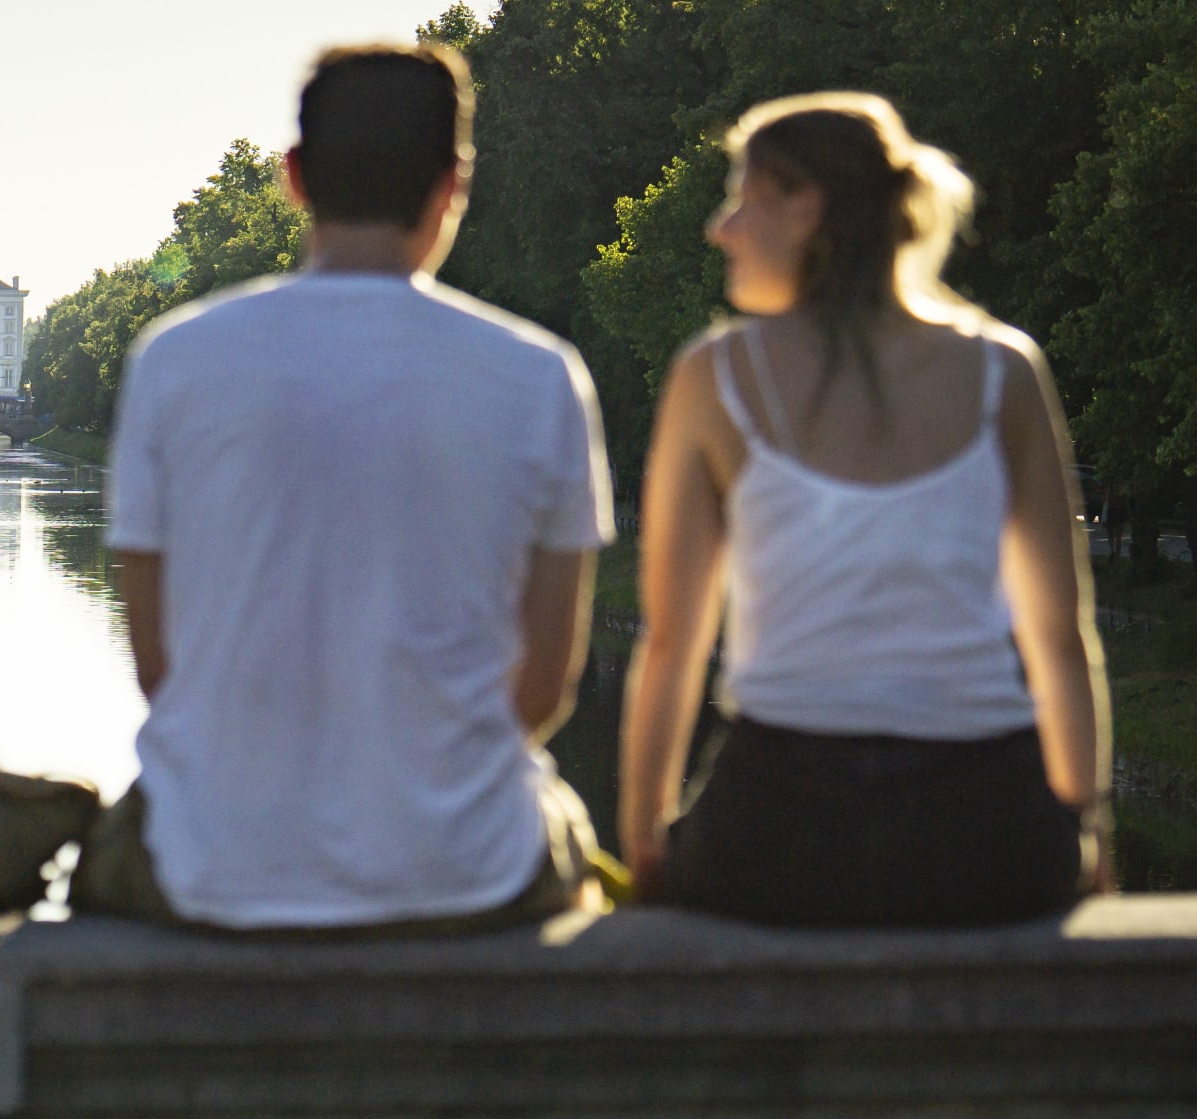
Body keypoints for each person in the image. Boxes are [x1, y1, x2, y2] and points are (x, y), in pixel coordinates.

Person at [76, 43, 615, 935]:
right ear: (454, 184)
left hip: (214, 862)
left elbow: (160, 667)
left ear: (293, 178)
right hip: (465, 865)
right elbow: (544, 687)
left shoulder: (174, 358)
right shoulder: (541, 375)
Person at [618, 92, 1109, 927]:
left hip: (776, 833)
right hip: (988, 835)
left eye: (742, 197)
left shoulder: (716, 375)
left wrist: (644, 850)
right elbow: (1059, 638)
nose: (719, 228)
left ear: (805, 207)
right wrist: (1083, 838)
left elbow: (673, 642)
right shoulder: (1004, 370)